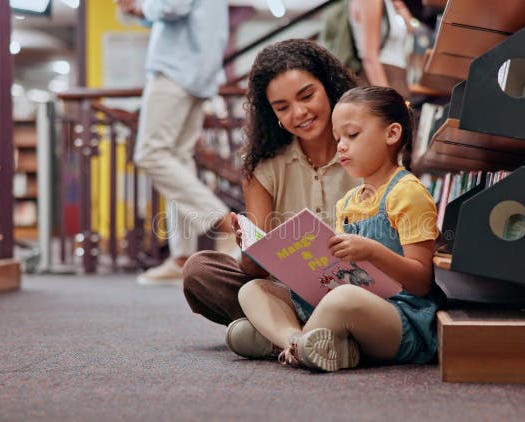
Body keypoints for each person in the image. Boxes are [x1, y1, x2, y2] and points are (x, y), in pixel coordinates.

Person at [230, 86, 444, 372]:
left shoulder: (408, 193)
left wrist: (373, 252)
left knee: (343, 299)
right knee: (253, 290)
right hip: (342, 302)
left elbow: (421, 282)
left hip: (400, 317)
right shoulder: (348, 202)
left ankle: (282, 343)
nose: (341, 146)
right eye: (337, 138)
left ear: (391, 134)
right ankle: (298, 342)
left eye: (352, 135)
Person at [182, 39, 360, 324]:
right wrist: (249, 248)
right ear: (271, 113)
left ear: (329, 88)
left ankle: (275, 331)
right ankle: (305, 328)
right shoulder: (262, 168)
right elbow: (256, 272)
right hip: (286, 291)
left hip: (358, 289)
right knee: (200, 270)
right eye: (282, 107)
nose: (299, 113)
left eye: (307, 96)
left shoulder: (365, 148)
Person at [116, 0, 233, 285]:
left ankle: (223, 221)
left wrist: (142, 7)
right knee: (177, 159)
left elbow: (173, 5)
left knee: (150, 153)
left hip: (176, 69)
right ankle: (182, 258)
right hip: (199, 72)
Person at [348, 0, 415, 98]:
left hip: (398, 77)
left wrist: (406, 16)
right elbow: (369, 56)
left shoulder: (391, 3)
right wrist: (387, 98)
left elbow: (415, 30)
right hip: (382, 77)